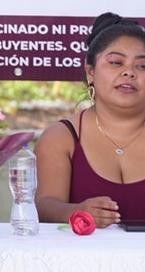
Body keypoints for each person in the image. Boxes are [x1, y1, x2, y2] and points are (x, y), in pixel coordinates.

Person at [35, 12, 145, 228]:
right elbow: (43, 206)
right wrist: (77, 212)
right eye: (116, 62)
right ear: (90, 72)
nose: (129, 72)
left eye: (142, 66)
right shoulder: (61, 137)